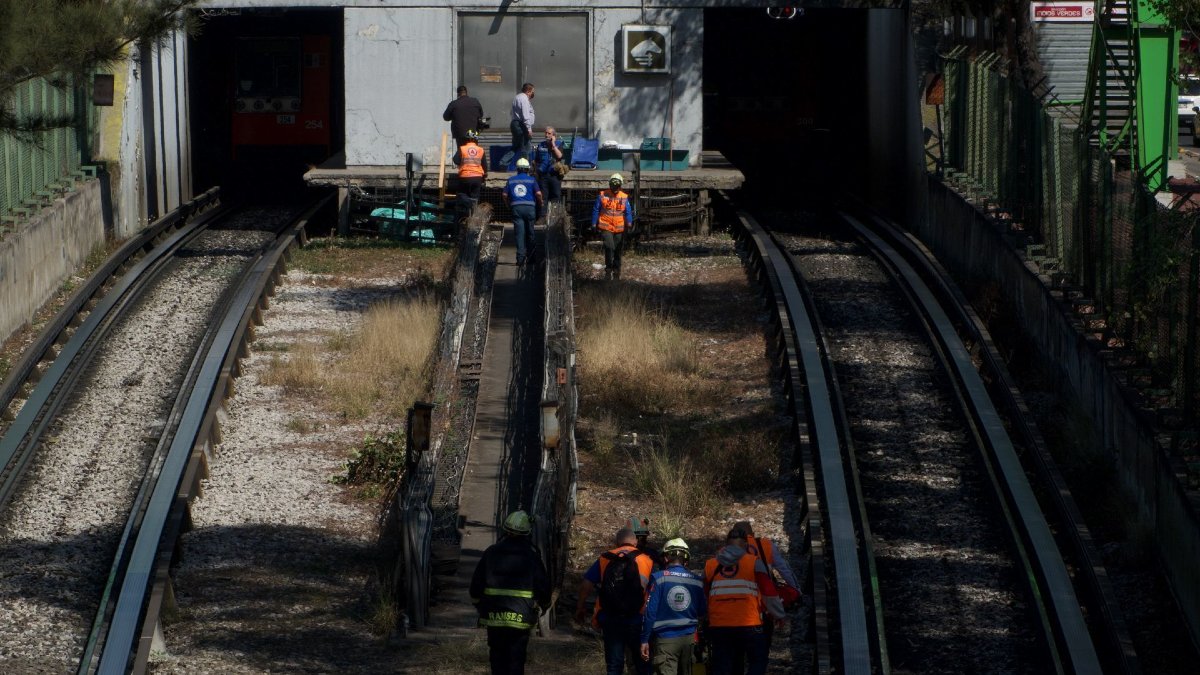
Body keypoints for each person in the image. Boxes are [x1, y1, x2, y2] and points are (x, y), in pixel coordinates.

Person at [469, 510, 551, 675]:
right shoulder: (532, 556)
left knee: (497, 659)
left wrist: (479, 605)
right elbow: (543, 587)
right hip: (521, 618)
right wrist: (543, 605)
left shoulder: (491, 552)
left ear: (505, 529)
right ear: (527, 532)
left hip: (494, 617)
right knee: (516, 660)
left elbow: (476, 587)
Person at [703, 527, 786, 675]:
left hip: (719, 624)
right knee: (758, 660)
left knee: (723, 665)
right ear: (746, 545)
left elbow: (704, 594)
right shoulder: (754, 562)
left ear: (726, 544)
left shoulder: (710, 565)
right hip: (749, 624)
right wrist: (779, 614)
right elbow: (769, 592)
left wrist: (704, 617)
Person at [575, 527, 655, 675]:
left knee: (614, 666)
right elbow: (655, 590)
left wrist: (580, 608)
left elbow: (586, 584)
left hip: (610, 618)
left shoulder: (605, 558)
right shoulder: (646, 560)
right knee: (642, 665)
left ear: (616, 542)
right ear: (635, 542)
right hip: (637, 619)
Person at [640, 538, 706, 675]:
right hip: (689, 640)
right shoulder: (697, 581)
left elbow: (650, 612)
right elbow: (702, 611)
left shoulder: (658, 578)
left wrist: (645, 639)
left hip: (665, 641)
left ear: (665, 558)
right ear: (686, 559)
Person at [591, 173, 634, 280]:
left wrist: (629, 223)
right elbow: (596, 209)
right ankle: (608, 269)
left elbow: (628, 212)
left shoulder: (624, 197)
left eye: (617, 186)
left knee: (618, 248)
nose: (615, 188)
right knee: (610, 247)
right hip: (606, 227)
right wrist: (593, 223)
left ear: (620, 185)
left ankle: (616, 269)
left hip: (619, 228)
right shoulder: (602, 195)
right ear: (610, 185)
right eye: (613, 186)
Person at [503, 157, 543, 265]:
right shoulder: (532, 180)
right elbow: (538, 194)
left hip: (516, 208)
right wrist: (541, 203)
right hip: (530, 208)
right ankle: (532, 258)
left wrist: (508, 205)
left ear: (517, 169)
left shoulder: (511, 180)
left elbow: (505, 195)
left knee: (519, 234)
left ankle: (520, 260)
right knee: (530, 232)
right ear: (527, 169)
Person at [443, 85, 485, 158]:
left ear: (458, 94)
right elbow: (481, 114)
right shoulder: (475, 101)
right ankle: (474, 164)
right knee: (473, 151)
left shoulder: (454, 104)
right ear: (466, 92)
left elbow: (446, 117)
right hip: (473, 132)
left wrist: (454, 116)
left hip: (460, 133)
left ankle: (463, 164)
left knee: (462, 152)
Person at [533, 126, 564, 219]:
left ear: (554, 135)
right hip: (543, 175)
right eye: (546, 133)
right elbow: (536, 160)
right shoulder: (541, 145)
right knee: (543, 196)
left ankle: (555, 217)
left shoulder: (558, 144)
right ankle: (542, 217)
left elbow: (559, 156)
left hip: (555, 175)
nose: (547, 135)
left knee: (556, 195)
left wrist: (553, 144)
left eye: (549, 133)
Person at [456, 129, 487, 224]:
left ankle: (466, 212)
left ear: (466, 139)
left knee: (461, 195)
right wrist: (484, 176)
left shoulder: (462, 148)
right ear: (476, 139)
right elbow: (485, 165)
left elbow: (456, 160)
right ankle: (472, 221)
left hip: (465, 176)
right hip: (477, 177)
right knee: (475, 198)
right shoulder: (480, 150)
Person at [510, 82, 536, 162]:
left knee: (516, 146)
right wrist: (529, 129)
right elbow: (526, 115)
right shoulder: (524, 99)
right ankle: (525, 165)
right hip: (521, 125)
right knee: (526, 146)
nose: (533, 94)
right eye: (532, 92)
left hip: (515, 123)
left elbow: (512, 112)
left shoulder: (517, 97)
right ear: (528, 91)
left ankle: (503, 163)